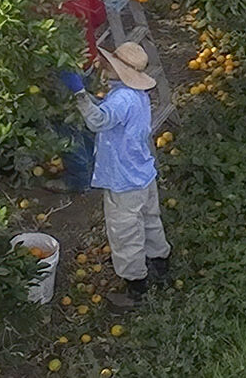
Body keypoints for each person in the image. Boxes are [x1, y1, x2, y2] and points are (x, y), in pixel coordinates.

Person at [57, 42, 169, 309]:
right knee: (150, 221)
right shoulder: (135, 95)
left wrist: (80, 94)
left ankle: (136, 289)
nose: (105, 66)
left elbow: (98, 121)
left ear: (121, 70)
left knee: (124, 232)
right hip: (142, 173)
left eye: (110, 64)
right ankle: (161, 266)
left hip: (124, 181)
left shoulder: (121, 99)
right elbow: (114, 115)